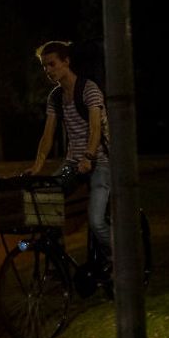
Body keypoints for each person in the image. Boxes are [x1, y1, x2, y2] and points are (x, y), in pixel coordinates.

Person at [26, 41, 112, 276]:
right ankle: (59, 262)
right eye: (44, 67)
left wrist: (88, 156)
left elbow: (95, 129)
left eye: (52, 64)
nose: (48, 70)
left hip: (100, 162)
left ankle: (120, 254)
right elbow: (48, 134)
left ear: (66, 62)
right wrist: (37, 166)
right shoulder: (55, 97)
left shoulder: (88, 89)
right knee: (45, 199)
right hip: (73, 164)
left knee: (96, 222)